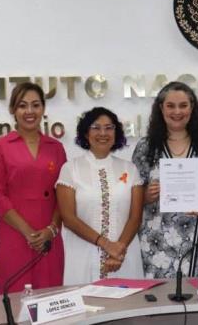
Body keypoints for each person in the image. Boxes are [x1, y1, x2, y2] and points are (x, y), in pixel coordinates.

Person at [132, 81, 198, 278]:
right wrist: (147, 195)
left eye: (183, 105)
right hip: (157, 242)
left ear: (192, 108)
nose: (177, 111)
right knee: (160, 302)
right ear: (161, 108)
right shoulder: (146, 147)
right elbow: (134, 196)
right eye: (170, 106)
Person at [0, 82, 66, 294]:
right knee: (15, 301)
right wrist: (28, 232)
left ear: (43, 109)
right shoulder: (0, 147)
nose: (29, 111)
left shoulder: (56, 148)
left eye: (35, 105)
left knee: (50, 301)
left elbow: (64, 196)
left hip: (49, 237)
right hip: (15, 235)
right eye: (22, 105)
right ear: (13, 110)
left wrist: (51, 229)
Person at [56, 107, 144, 285]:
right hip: (83, 256)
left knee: (127, 309)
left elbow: (135, 217)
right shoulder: (70, 169)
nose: (103, 133)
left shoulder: (130, 169)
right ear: (86, 133)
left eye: (109, 127)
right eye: (96, 127)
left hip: (124, 256)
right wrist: (106, 244)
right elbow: (69, 219)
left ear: (116, 132)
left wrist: (119, 249)